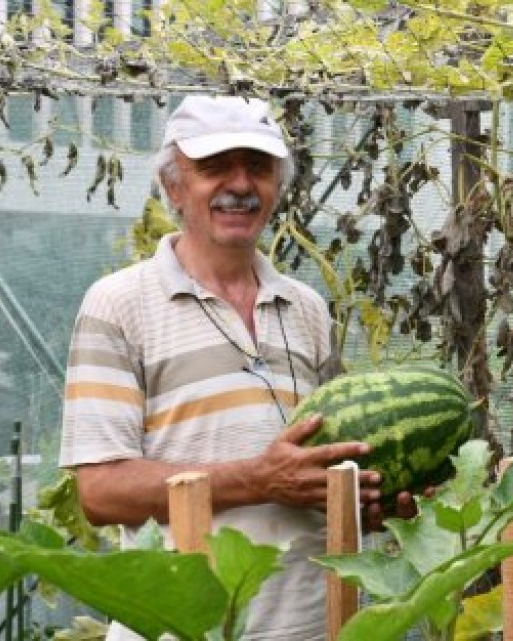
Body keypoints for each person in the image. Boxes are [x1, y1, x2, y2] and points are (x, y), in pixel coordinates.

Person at [59, 95, 403, 641]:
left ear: (276, 188)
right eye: (215, 167)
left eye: (259, 168)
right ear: (174, 186)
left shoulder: (307, 308)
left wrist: (379, 500)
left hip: (320, 623)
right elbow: (100, 492)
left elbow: (327, 465)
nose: (241, 185)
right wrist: (257, 480)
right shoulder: (119, 304)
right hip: (182, 628)